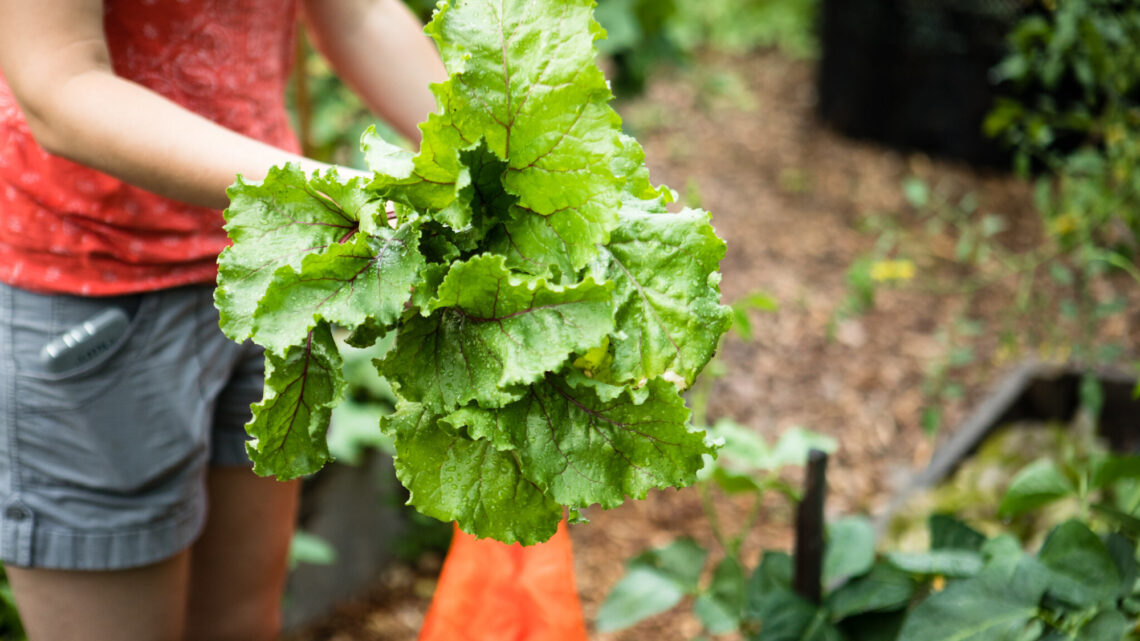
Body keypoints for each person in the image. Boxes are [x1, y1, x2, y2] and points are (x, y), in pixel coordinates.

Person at [0, 1, 446, 639]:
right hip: (93, 282)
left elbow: (359, 13)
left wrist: (492, 168)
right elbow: (59, 86)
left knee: (240, 624)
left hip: (261, 269)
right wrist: (337, 196)